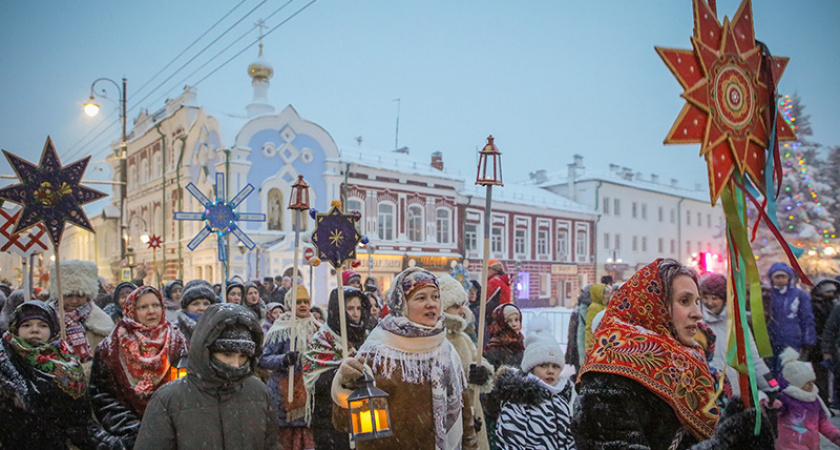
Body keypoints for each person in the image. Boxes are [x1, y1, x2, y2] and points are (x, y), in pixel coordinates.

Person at [572, 259, 774, 449]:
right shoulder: (609, 379)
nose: (698, 313)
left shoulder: (686, 364)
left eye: (697, 301)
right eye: (684, 301)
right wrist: (723, 444)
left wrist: (732, 430)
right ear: (651, 306)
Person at [331, 267, 478, 449]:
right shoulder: (376, 353)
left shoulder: (446, 351)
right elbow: (345, 424)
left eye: (435, 296)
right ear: (402, 305)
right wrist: (347, 386)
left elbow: (464, 417)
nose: (431, 304)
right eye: (421, 298)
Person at [135, 303, 280, 450]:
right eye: (227, 354)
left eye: (243, 356)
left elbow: (271, 445)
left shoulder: (259, 392)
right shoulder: (169, 400)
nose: (236, 364)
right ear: (206, 351)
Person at [0, 301, 129, 449]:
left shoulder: (66, 364)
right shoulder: (4, 360)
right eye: (26, 325)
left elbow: (81, 426)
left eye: (42, 325)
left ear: (53, 330)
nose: (34, 330)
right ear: (15, 329)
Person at [91, 286, 188, 444]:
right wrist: (132, 428)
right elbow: (102, 395)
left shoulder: (178, 341)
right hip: (129, 436)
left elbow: (184, 387)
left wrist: (170, 423)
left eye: (155, 305)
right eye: (143, 307)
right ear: (131, 310)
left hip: (171, 432)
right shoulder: (110, 347)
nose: (151, 311)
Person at [486, 316, 575, 450]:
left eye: (555, 366)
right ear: (531, 369)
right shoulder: (519, 403)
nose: (550, 371)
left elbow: (570, 440)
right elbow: (512, 443)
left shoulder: (563, 400)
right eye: (544, 366)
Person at [302, 286, 370, 450]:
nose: (355, 313)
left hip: (362, 416)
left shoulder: (365, 338)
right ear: (336, 311)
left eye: (358, 308)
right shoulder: (322, 340)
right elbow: (314, 379)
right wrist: (340, 375)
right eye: (349, 308)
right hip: (330, 418)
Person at [260, 285, 320, 449]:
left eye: (306, 302)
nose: (303, 305)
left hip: (308, 395)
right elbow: (264, 359)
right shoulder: (281, 328)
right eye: (298, 302)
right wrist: (284, 359)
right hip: (284, 395)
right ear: (289, 305)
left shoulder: (317, 327)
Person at [698, 273, 775, 399]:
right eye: (705, 297)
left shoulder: (737, 322)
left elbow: (753, 359)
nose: (709, 303)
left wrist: (772, 386)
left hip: (732, 393)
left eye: (715, 297)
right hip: (704, 392)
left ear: (724, 299)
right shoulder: (696, 323)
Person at [439, 274, 493, 448]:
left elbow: (478, 359)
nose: (462, 310)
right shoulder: (435, 341)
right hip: (449, 420)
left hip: (472, 414)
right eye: (455, 306)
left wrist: (482, 372)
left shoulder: (464, 338)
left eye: (463, 304)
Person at [49, 260, 115, 370]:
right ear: (59, 295)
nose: (74, 301)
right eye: (68, 295)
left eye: (80, 295)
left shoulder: (103, 324)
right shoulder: (46, 320)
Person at [775, 347, 840, 449]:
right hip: (789, 446)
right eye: (806, 382)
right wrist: (770, 403)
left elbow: (822, 422)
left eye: (812, 381)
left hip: (812, 446)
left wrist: (836, 436)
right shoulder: (785, 399)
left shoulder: (814, 400)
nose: (811, 385)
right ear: (796, 384)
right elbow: (774, 410)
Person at [767, 262, 815, 367]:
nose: (780, 280)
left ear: (789, 277)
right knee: (771, 368)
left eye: (783, 276)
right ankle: (774, 384)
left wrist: (808, 339)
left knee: (789, 368)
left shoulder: (799, 294)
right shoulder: (767, 294)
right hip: (771, 339)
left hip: (792, 339)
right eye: (777, 277)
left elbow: (807, 317)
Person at [805, 278, 840, 406]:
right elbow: (826, 328)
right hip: (818, 345)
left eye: (832, 292)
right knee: (820, 376)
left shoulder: (834, 305)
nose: (830, 295)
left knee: (831, 375)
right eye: (827, 292)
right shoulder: (814, 306)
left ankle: (829, 401)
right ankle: (823, 402)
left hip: (828, 344)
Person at [484, 303, 524, 370]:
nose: (514, 324)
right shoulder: (494, 348)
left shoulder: (522, 343)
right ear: (501, 323)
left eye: (517, 320)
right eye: (509, 321)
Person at [583, 283, 607, 349]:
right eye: (604, 293)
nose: (606, 296)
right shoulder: (593, 308)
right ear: (598, 295)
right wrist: (590, 346)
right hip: (596, 343)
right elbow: (589, 328)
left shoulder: (604, 306)